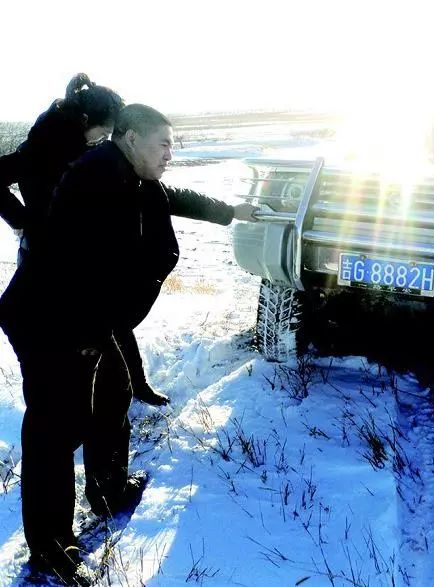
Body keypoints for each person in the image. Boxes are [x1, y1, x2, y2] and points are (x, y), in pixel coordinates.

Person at [0, 103, 257, 584]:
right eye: (163, 144)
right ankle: (50, 547)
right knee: (54, 430)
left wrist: (231, 212)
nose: (169, 155)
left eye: (173, 146)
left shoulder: (130, 174)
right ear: (131, 138)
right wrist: (84, 339)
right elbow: (76, 268)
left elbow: (171, 196)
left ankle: (108, 488)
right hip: (52, 319)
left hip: (85, 317)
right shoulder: (97, 181)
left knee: (114, 389)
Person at [0, 73, 241, 406]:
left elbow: (164, 195)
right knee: (54, 398)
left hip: (82, 277)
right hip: (49, 277)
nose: (104, 139)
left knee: (108, 335)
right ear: (86, 121)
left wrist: (226, 211)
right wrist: (25, 221)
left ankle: (132, 387)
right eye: (103, 132)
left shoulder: (95, 157)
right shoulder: (46, 151)